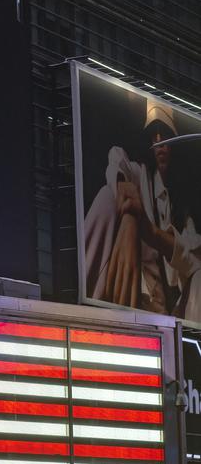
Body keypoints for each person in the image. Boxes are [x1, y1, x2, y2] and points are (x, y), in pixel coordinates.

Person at [83, 99, 201, 319]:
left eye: (165, 134)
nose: (159, 141)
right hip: (135, 297)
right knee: (107, 199)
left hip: (169, 313)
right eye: (154, 134)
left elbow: (192, 254)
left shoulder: (183, 208)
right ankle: (80, 303)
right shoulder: (140, 175)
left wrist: (144, 228)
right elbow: (117, 158)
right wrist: (130, 219)